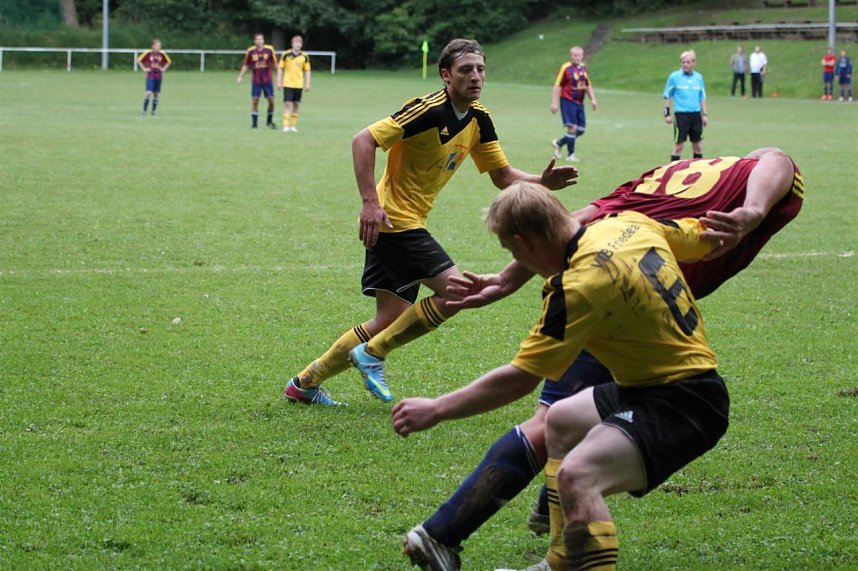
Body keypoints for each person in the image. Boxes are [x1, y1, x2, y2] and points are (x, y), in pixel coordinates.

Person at [398, 148, 804, 571]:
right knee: (560, 419)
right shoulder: (631, 224)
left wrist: (437, 408)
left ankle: (552, 554)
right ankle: (560, 560)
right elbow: (702, 239)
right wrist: (743, 223)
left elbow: (518, 379)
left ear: (522, 244)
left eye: (511, 250)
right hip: (652, 385)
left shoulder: (575, 288)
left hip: (684, 404)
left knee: (579, 475)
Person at [282, 39, 579, 406]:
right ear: (446, 75)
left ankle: (304, 383)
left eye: (480, 69)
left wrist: (541, 182)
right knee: (460, 291)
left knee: (388, 319)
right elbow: (363, 140)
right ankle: (373, 354)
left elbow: (502, 175)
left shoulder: (479, 119)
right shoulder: (426, 110)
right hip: (394, 221)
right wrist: (370, 203)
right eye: (466, 70)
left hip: (405, 223)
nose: (476, 76)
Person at [550, 46, 597, 163]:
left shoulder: (583, 68)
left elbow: (587, 85)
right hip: (567, 101)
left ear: (582, 56)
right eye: (575, 55)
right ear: (571, 56)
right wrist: (554, 103)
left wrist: (593, 99)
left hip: (579, 102)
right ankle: (571, 155)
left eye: (579, 55)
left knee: (581, 129)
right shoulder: (565, 68)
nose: (577, 57)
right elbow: (557, 85)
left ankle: (559, 143)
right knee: (572, 128)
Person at [663, 50, 708, 161]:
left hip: (696, 115)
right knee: (679, 146)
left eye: (688, 62)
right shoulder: (674, 77)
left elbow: (702, 97)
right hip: (681, 116)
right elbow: (667, 96)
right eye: (683, 62)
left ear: (694, 63)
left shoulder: (699, 78)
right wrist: (667, 114)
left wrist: (705, 114)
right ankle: (673, 170)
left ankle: (697, 171)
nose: (685, 64)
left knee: (698, 146)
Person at [236, 33, 278, 129]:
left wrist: (280, 78)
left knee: (271, 101)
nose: (260, 41)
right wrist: (240, 76)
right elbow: (246, 64)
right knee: (255, 101)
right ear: (255, 41)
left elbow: (275, 64)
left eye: (261, 39)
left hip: (267, 80)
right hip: (256, 80)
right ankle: (254, 124)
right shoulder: (250, 51)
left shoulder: (269, 50)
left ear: (263, 40)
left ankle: (269, 121)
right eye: (257, 39)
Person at [276, 35, 311, 132]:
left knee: (296, 104)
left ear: (301, 45)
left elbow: (307, 71)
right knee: (287, 104)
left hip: (299, 84)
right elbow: (280, 68)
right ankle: (286, 125)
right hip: (288, 83)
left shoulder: (305, 56)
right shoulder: (286, 55)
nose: (297, 45)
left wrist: (308, 83)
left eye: (299, 43)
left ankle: (294, 126)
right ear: (292, 44)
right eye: (296, 43)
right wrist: (279, 81)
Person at [137, 39, 171, 116]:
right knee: (148, 92)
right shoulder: (148, 53)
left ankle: (153, 111)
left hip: (158, 76)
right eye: (157, 45)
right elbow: (138, 60)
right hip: (150, 75)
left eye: (159, 46)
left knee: (156, 94)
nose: (158, 47)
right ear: (153, 46)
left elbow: (168, 62)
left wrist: (163, 69)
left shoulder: (162, 54)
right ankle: (144, 111)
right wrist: (144, 69)